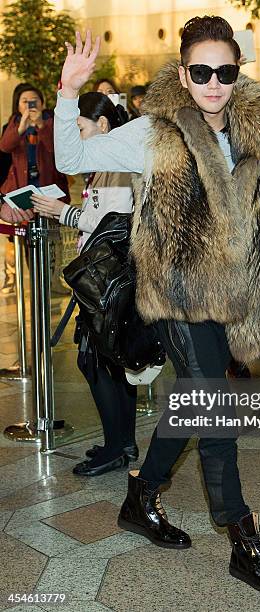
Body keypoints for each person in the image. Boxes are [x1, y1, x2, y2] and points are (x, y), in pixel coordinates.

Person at [55, 18, 260, 594]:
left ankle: (141, 495)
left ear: (237, 69)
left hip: (235, 297)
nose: (213, 83)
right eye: (201, 71)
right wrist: (69, 94)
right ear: (183, 72)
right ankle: (244, 540)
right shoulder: (154, 132)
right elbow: (71, 159)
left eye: (224, 71)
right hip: (174, 295)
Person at [31, 91, 138, 476]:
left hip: (110, 281)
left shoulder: (120, 162)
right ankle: (121, 441)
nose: (76, 138)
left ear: (103, 126)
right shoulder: (108, 162)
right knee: (111, 362)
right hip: (103, 278)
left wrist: (64, 212)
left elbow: (114, 223)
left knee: (95, 361)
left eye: (80, 129)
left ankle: (117, 446)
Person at [0, 84, 70, 294]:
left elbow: (56, 149)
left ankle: (53, 280)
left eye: (34, 101)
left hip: (48, 189)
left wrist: (40, 124)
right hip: (22, 191)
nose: (30, 105)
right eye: (25, 101)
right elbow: (4, 146)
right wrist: (21, 126)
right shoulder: (13, 124)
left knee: (51, 236)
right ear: (17, 105)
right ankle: (37, 283)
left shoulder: (50, 122)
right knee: (27, 238)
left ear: (43, 103)